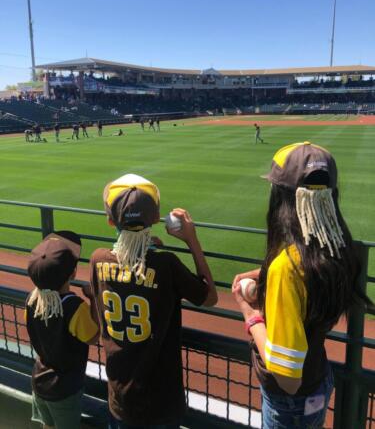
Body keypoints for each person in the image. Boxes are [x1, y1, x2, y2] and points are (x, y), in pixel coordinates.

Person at [232, 142, 371, 428]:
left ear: (282, 198)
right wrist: (266, 273)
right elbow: (310, 263)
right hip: (319, 377)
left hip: (289, 400)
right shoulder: (337, 248)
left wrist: (250, 315)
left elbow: (288, 379)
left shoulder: (288, 268)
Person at [89, 174, 217, 428]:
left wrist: (145, 249)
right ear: (156, 220)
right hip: (161, 401)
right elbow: (210, 297)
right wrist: (191, 240)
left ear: (110, 220)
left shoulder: (97, 259)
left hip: (120, 398)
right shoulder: (165, 264)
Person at [25, 231, 99, 429]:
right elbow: (93, 337)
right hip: (65, 389)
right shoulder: (74, 307)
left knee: (47, 426)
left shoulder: (31, 301)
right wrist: (93, 299)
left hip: (39, 381)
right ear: (73, 273)